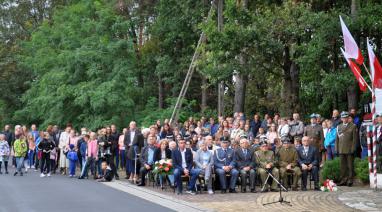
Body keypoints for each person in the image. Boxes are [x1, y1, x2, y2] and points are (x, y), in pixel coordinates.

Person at [335, 111, 357, 187]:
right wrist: (336, 148)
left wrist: (353, 148)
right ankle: (343, 180)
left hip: (349, 149)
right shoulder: (339, 126)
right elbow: (337, 139)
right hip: (341, 149)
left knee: (350, 165)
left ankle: (350, 180)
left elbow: (354, 139)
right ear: (341, 118)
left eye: (346, 117)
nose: (345, 119)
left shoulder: (353, 126)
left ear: (348, 118)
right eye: (343, 118)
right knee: (342, 166)